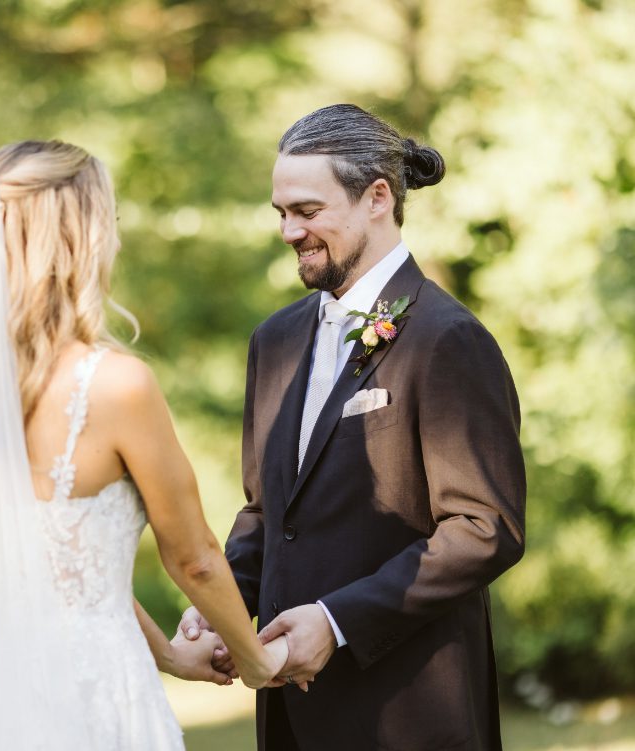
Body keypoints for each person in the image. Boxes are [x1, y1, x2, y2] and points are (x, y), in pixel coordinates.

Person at [0, 140, 287, 750]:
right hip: (90, 697)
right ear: (80, 238)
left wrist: (172, 658)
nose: (116, 240)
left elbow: (64, 569)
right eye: (110, 220)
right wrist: (256, 661)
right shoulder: (116, 385)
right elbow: (196, 558)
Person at [180, 104, 527, 750]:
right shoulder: (274, 341)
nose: (289, 231)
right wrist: (221, 606)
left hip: (410, 716)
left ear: (377, 198)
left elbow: (485, 528)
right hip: (289, 716)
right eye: (281, 212)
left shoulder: (448, 339)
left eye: (308, 211)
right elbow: (268, 512)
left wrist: (336, 622)